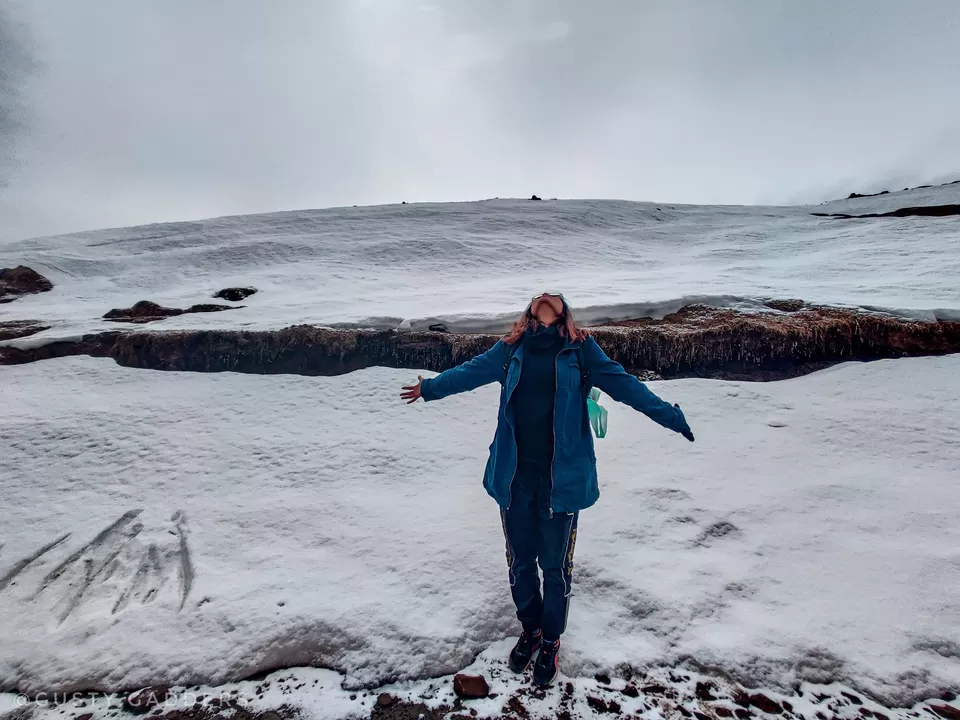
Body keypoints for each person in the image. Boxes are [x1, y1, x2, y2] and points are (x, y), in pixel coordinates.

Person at [400, 293, 694, 687]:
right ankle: (531, 629)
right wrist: (430, 388)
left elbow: (625, 386)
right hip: (515, 477)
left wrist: (671, 416)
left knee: (555, 568)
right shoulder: (510, 349)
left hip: (561, 482)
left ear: (563, 313)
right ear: (530, 311)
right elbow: (469, 372)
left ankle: (552, 639)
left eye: (554, 298)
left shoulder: (581, 350)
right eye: (539, 297)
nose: (546, 298)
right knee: (521, 562)